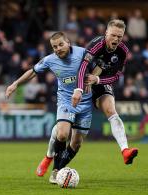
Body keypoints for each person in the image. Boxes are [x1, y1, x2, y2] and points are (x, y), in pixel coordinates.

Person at [36, 19, 139, 183]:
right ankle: (49, 157)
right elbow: (83, 67)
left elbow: (117, 76)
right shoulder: (95, 45)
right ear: (106, 33)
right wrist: (79, 88)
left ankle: (125, 150)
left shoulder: (123, 51)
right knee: (62, 132)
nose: (116, 39)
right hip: (82, 83)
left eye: (119, 36)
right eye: (113, 35)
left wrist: (98, 80)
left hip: (100, 82)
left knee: (105, 116)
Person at [5, 32, 93, 184]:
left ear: (68, 43)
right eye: (54, 47)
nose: (58, 49)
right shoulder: (49, 60)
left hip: (85, 103)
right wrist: (15, 84)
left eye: (60, 44)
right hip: (66, 100)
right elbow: (32, 72)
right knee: (62, 134)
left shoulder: (83, 53)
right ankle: (56, 170)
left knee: (76, 143)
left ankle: (55, 164)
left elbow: (98, 67)